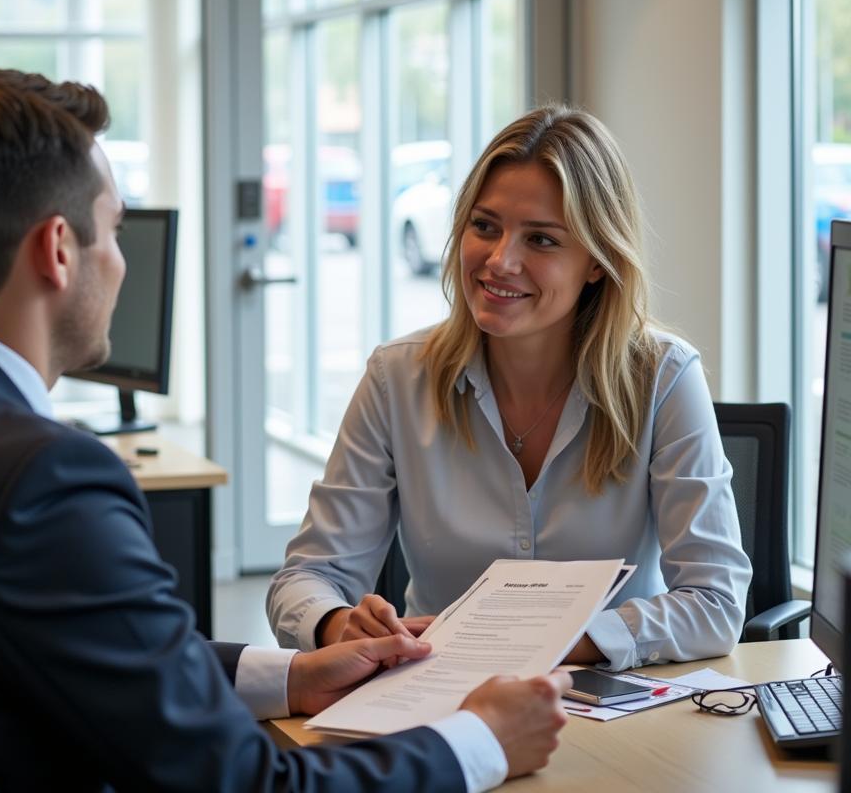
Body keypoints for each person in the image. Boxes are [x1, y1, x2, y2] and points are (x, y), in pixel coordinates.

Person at [0, 67, 571, 793]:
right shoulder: (43, 482)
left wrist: (290, 674)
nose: (119, 262)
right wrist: (480, 742)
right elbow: (245, 780)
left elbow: (93, 654)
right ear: (57, 251)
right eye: (113, 230)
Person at [268, 106, 752, 672]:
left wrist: (547, 644)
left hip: (607, 707)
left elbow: (716, 604)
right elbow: (305, 578)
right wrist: (339, 622)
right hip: (432, 698)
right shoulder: (396, 379)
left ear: (597, 262)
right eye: (485, 226)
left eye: (541, 240)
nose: (500, 261)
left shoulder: (663, 378)